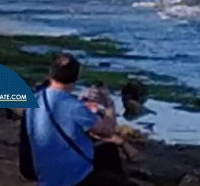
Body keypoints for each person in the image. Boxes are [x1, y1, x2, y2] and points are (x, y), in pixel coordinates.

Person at [24, 54, 134, 186]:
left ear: (51, 74)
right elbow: (107, 130)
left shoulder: (35, 99)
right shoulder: (74, 108)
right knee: (109, 151)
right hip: (73, 177)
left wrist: (80, 101)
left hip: (44, 173)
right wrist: (109, 105)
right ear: (75, 77)